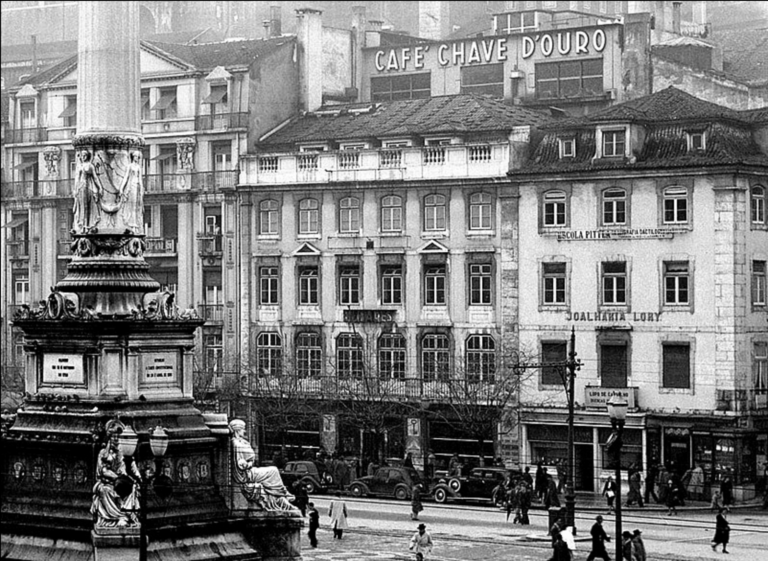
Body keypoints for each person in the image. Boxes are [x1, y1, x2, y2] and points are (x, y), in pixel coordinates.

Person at [229, 420, 296, 511]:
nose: (244, 431)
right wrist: (248, 464)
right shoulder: (236, 444)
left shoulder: (242, 442)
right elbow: (241, 465)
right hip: (245, 474)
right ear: (237, 430)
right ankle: (283, 494)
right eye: (243, 429)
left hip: (249, 470)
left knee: (273, 470)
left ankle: (281, 495)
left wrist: (249, 463)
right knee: (273, 471)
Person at [90, 422, 141, 527]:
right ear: (109, 437)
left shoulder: (127, 453)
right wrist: (117, 478)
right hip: (108, 483)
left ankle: (125, 517)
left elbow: (133, 468)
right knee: (104, 490)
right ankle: (115, 518)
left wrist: (138, 477)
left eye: (118, 437)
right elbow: (103, 471)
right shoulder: (104, 453)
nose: (116, 439)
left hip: (124, 483)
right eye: (114, 437)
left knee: (132, 488)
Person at [72, 149, 103, 233]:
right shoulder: (79, 166)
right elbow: (77, 179)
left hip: (88, 187)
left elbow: (95, 178)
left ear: (87, 156)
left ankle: (87, 225)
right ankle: (82, 225)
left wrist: (100, 188)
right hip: (81, 188)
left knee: (88, 206)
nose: (83, 156)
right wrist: (75, 190)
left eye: (85, 154)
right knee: (82, 206)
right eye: (82, 155)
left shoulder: (90, 166)